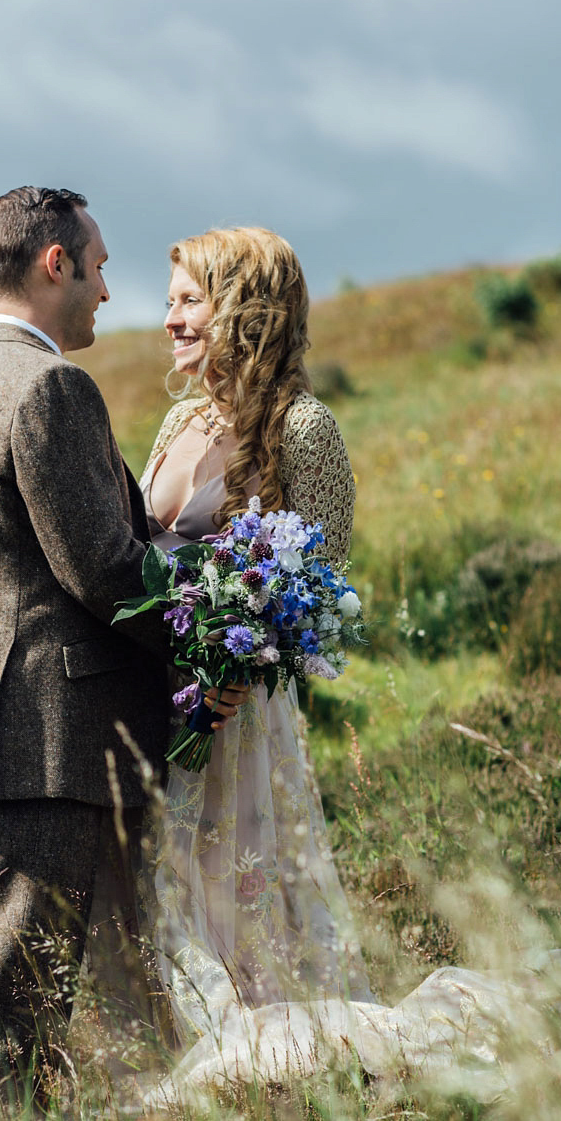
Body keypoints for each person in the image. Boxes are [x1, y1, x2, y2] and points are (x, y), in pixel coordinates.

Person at [0, 187, 241, 1107]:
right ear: (55, 264)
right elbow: (108, 575)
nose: (109, 294)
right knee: (5, 1035)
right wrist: (221, 645)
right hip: (32, 752)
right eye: (102, 266)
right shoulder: (50, 388)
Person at [137, 226, 376, 1049]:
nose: (169, 319)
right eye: (169, 301)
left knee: (235, 905)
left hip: (235, 721)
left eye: (189, 301)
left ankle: (269, 1070)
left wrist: (237, 659)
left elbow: (320, 582)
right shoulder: (179, 424)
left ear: (245, 308)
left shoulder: (304, 428)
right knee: (156, 899)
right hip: (157, 704)